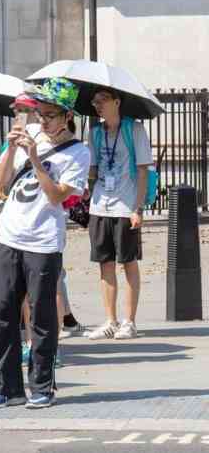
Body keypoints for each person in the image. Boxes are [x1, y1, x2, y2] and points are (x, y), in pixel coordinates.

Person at [0, 78, 90, 410]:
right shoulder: (31, 138)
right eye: (39, 114)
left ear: (67, 115)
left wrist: (36, 157)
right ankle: (8, 387)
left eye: (49, 115)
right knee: (2, 311)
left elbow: (58, 195)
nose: (42, 121)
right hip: (8, 236)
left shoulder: (78, 152)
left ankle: (42, 386)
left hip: (42, 242)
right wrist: (12, 149)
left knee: (41, 318)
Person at [86, 89, 151, 341]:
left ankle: (129, 322)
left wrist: (138, 208)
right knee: (105, 264)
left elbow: (143, 171)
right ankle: (110, 320)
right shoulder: (95, 133)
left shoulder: (133, 129)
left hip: (126, 206)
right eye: (95, 101)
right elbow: (92, 169)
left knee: (129, 263)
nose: (97, 105)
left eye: (102, 100)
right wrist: (83, 182)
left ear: (117, 102)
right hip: (100, 205)